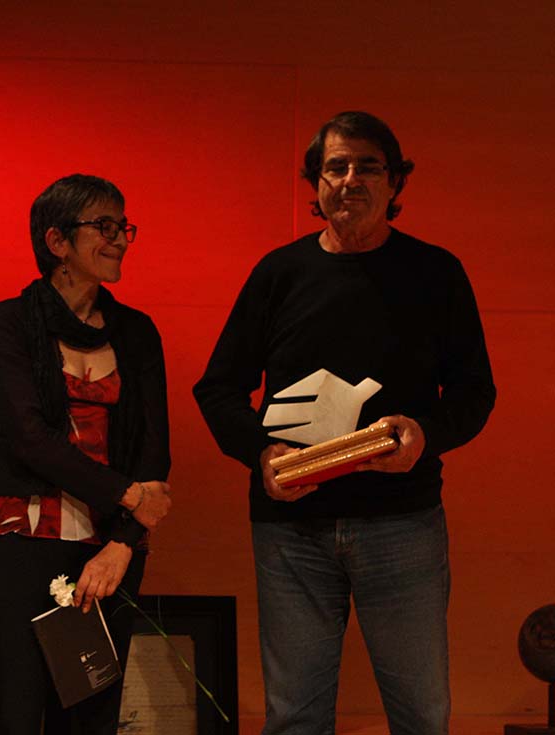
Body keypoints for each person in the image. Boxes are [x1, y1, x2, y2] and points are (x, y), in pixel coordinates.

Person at [193, 111, 496, 735]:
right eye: (336, 167)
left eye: (368, 166)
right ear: (316, 182)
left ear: (394, 181)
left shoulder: (436, 273)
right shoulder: (278, 274)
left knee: (422, 715)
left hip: (403, 522)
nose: (351, 179)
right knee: (294, 716)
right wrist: (261, 453)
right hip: (290, 528)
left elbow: (474, 392)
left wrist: (425, 436)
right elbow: (218, 388)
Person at [0, 173, 173, 735]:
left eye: (123, 227)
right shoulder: (9, 322)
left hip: (111, 548)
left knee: (92, 717)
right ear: (57, 241)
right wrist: (129, 495)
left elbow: (154, 451)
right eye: (103, 226)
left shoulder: (138, 332)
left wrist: (123, 543)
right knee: (15, 714)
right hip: (22, 537)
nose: (119, 239)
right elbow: (27, 438)